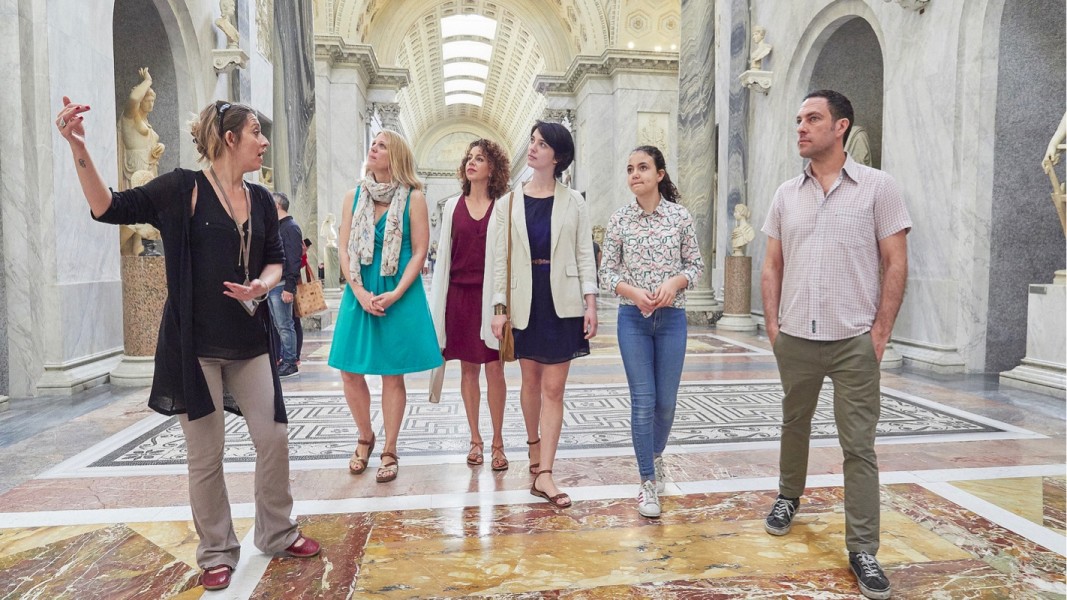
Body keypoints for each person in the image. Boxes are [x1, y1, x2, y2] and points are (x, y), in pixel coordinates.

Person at [56, 97, 320, 591]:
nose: (264, 141)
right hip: (195, 346)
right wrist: (79, 147)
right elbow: (106, 206)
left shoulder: (261, 199)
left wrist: (261, 287)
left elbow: (275, 260)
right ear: (229, 140)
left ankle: (277, 530)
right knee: (206, 454)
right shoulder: (183, 188)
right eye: (256, 133)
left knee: (274, 438)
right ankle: (218, 550)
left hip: (250, 342)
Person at [760, 90, 911, 600]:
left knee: (858, 446)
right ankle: (787, 496)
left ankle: (863, 548)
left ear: (841, 126)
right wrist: (774, 327)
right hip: (796, 335)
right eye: (798, 118)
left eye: (813, 118)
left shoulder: (878, 188)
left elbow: (896, 262)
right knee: (793, 421)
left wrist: (880, 333)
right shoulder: (786, 194)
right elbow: (772, 264)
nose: (801, 127)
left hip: (853, 340)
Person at [490, 121, 598, 508]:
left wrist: (591, 301)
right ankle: (534, 448)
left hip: (563, 301)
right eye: (532, 142)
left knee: (555, 388)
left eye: (541, 144)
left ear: (558, 155)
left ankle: (547, 473)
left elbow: (585, 254)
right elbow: (500, 260)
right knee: (530, 383)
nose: (532, 148)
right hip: (524, 300)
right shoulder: (509, 203)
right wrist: (499, 308)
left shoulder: (574, 201)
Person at [329, 130, 441, 483]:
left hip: (398, 292)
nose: (373, 148)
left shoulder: (414, 198)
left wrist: (395, 294)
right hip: (360, 290)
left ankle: (390, 448)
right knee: (349, 370)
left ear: (397, 159)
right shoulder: (353, 197)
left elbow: (420, 251)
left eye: (382, 146)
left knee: (393, 374)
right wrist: (359, 291)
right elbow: (344, 249)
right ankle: (365, 436)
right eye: (373, 143)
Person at [600, 145, 704, 519]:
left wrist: (675, 282)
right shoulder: (619, 220)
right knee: (643, 401)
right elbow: (607, 272)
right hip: (633, 320)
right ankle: (646, 480)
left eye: (643, 167)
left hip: (672, 319)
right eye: (630, 169)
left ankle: (656, 455)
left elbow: (695, 264)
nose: (635, 175)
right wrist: (632, 292)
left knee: (667, 402)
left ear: (660, 174)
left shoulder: (679, 217)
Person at [430, 139, 511, 470]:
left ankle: (498, 442)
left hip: (489, 299)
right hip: (458, 298)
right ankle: (475, 439)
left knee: (495, 368)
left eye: (480, 158)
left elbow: (505, 259)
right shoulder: (452, 206)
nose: (472, 163)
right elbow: (443, 258)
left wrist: (501, 306)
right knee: (467, 368)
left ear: (492, 168)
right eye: (469, 158)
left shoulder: (502, 207)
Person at [267, 191, 303, 378]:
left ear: (277, 206)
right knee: (277, 324)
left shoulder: (290, 227)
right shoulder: (279, 227)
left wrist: (290, 286)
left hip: (282, 285)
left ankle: (290, 361)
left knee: (285, 325)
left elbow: (293, 259)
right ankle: (282, 358)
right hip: (274, 283)